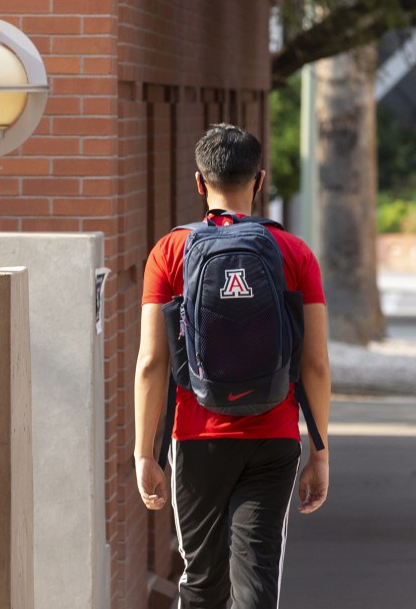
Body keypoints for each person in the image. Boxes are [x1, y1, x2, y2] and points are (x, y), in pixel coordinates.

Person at [133, 124, 331, 608]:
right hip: (275, 435)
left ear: (200, 183)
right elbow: (317, 365)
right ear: (259, 181)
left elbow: (152, 362)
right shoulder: (295, 253)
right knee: (258, 586)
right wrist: (320, 451)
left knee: (201, 582)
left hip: (197, 439)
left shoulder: (171, 252)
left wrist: (144, 452)